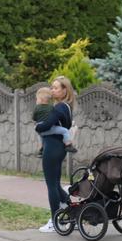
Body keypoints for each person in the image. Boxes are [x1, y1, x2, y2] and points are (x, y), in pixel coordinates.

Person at [35, 76, 75, 233]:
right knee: (55, 184)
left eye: (56, 88)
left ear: (65, 90)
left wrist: (38, 127)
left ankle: (54, 220)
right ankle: (74, 214)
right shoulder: (66, 107)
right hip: (58, 148)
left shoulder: (59, 107)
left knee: (51, 185)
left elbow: (45, 125)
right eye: (51, 87)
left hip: (52, 148)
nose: (52, 90)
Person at [33, 87, 77, 158]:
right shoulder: (52, 108)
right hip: (47, 129)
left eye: (56, 88)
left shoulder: (37, 108)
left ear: (40, 100)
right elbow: (50, 122)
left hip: (39, 128)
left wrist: (37, 125)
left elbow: (34, 118)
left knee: (41, 136)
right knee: (64, 131)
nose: (53, 90)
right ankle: (68, 145)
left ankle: (42, 149)